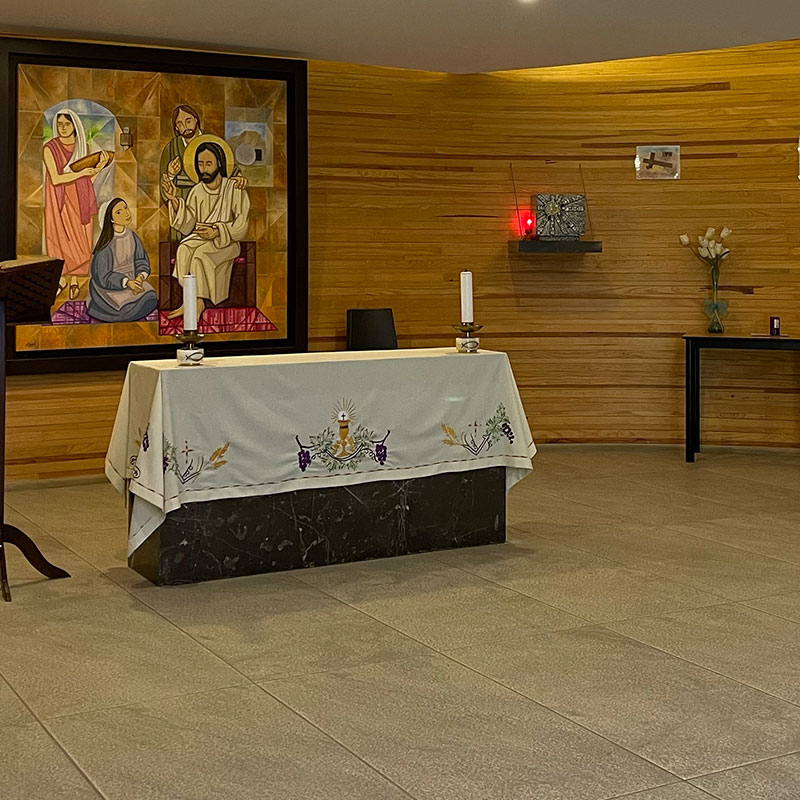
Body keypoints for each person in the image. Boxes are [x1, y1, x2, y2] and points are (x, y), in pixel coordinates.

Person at [161, 140, 251, 320]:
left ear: (219, 163)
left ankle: (197, 303)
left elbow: (242, 225)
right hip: (201, 238)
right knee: (184, 249)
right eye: (200, 164)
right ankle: (191, 301)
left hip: (226, 242)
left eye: (208, 164)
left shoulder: (234, 188)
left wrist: (217, 231)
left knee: (199, 255)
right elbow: (188, 223)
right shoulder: (197, 191)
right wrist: (174, 200)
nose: (204, 169)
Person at [43, 108, 111, 298]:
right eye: (59, 124)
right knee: (60, 238)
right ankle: (61, 279)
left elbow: (87, 181)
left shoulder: (83, 147)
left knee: (81, 241)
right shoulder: (50, 148)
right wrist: (82, 173)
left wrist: (99, 167)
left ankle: (74, 279)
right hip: (60, 199)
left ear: (74, 126)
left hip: (80, 199)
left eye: (67, 124)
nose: (63, 128)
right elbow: (56, 178)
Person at [87, 198, 157, 323]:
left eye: (125, 208)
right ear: (111, 219)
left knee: (151, 297)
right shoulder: (106, 245)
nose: (126, 213)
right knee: (125, 309)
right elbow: (103, 276)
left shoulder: (132, 236)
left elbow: (141, 260)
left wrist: (139, 277)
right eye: (119, 212)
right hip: (110, 286)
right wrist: (127, 283)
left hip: (133, 281)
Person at [160, 105, 203, 240]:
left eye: (188, 121)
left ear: (196, 120)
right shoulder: (171, 148)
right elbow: (163, 183)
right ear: (176, 128)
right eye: (180, 124)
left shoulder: (212, 142)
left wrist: (237, 176)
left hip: (207, 202)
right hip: (181, 203)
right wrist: (170, 175)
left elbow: (228, 167)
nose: (185, 126)